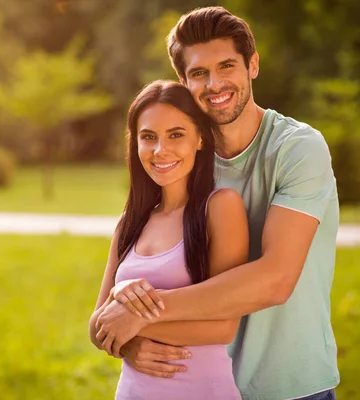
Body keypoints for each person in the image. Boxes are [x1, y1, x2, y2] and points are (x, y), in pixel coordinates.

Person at [94, 6, 340, 400]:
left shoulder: (297, 148)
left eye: (226, 65)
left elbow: (275, 280)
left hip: (290, 386)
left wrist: (138, 317)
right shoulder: (184, 160)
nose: (215, 83)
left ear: (253, 65)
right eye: (198, 73)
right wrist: (128, 340)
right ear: (183, 80)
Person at [89, 80, 249, 399]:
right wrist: (127, 342)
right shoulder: (129, 223)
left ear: (200, 139)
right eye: (148, 137)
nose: (160, 150)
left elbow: (223, 327)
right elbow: (97, 325)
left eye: (176, 135)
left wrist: (131, 325)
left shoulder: (220, 207)